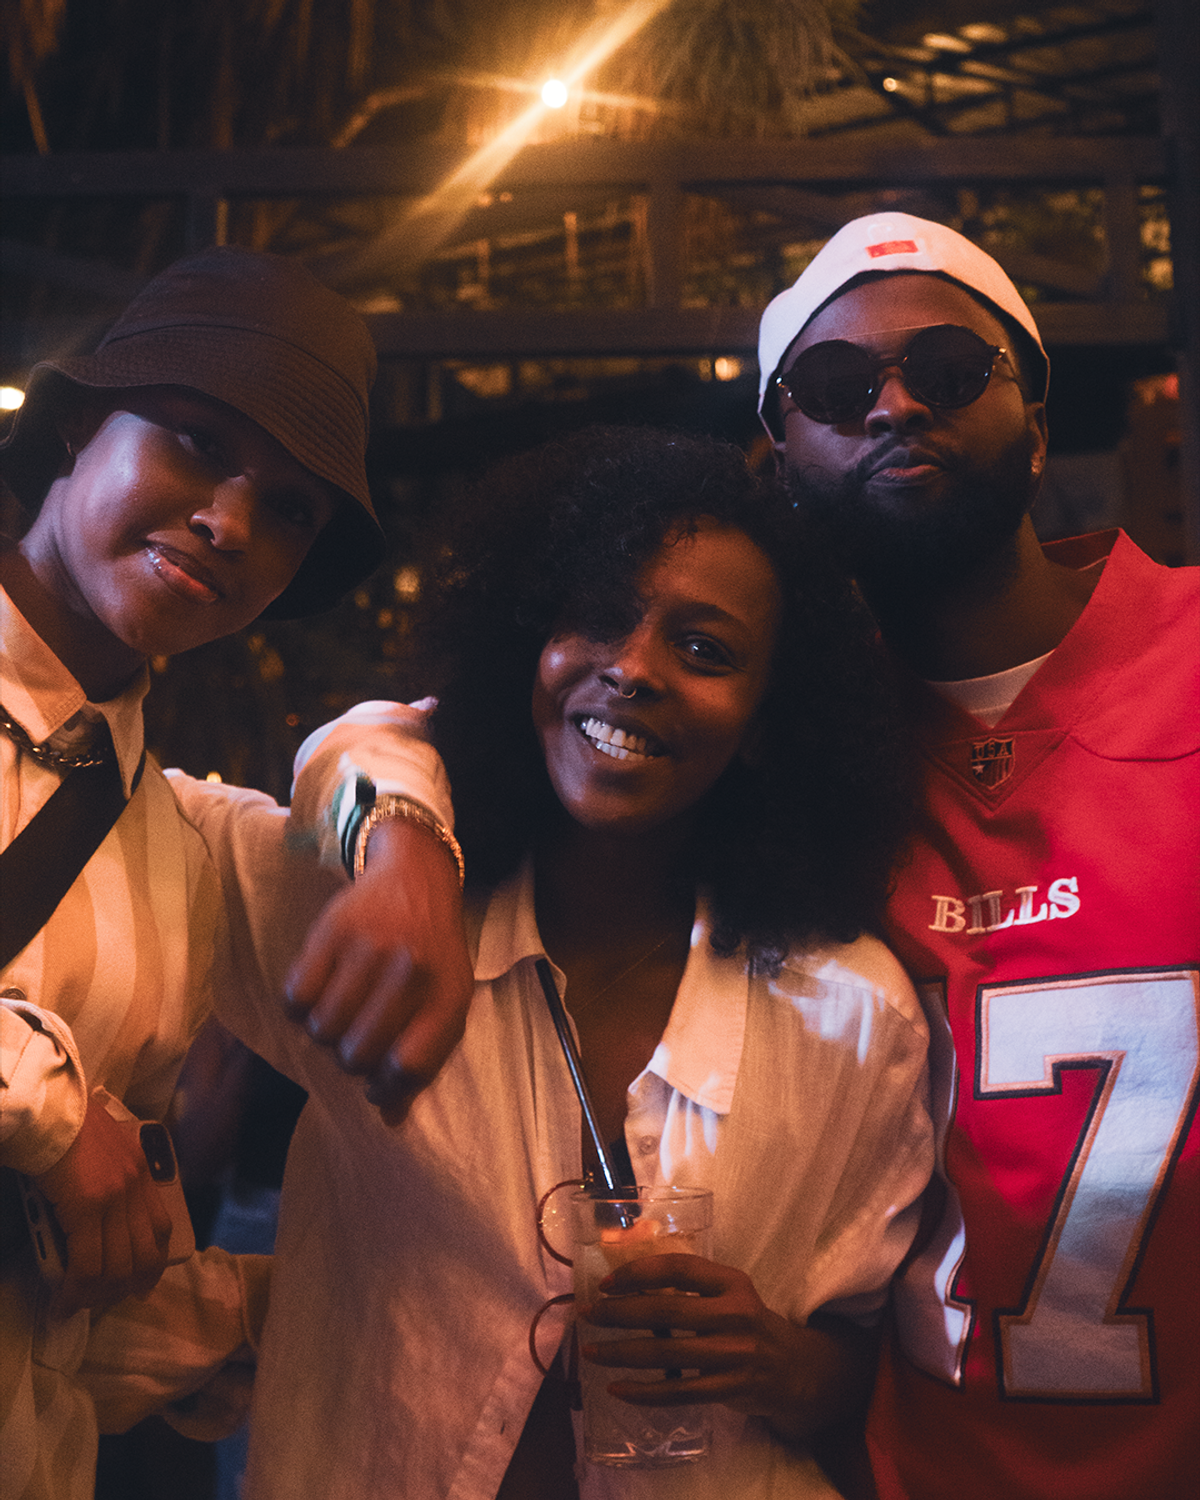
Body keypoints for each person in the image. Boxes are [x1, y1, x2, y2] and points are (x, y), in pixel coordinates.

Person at [200, 425, 933, 1498]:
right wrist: (404, 844)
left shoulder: (852, 1012)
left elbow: (871, 1368)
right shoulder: (374, 918)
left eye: (705, 650)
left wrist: (772, 1358)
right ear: (528, 644)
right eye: (596, 617)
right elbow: (177, 819)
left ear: (767, 723)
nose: (631, 668)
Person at [0, 245, 470, 1500]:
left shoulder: (171, 851)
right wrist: (47, 1112)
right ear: (78, 427)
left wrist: (273, 1313)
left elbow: (53, 1333)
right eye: (197, 442)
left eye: (292, 509)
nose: (232, 522)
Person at [754, 212, 1199, 1499]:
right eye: (836, 387)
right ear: (783, 462)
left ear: (1037, 425)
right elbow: (465, 733)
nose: (895, 405)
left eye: (950, 370)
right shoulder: (769, 742)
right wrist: (394, 833)